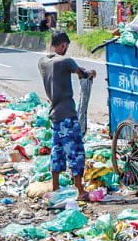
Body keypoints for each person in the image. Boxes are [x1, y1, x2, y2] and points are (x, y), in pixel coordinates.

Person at [38, 31, 97, 201]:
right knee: (76, 151)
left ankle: (55, 187)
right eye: (66, 46)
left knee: (57, 151)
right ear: (63, 45)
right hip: (67, 115)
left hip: (54, 114)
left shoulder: (42, 62)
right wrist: (91, 73)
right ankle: (80, 190)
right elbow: (83, 74)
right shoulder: (65, 61)